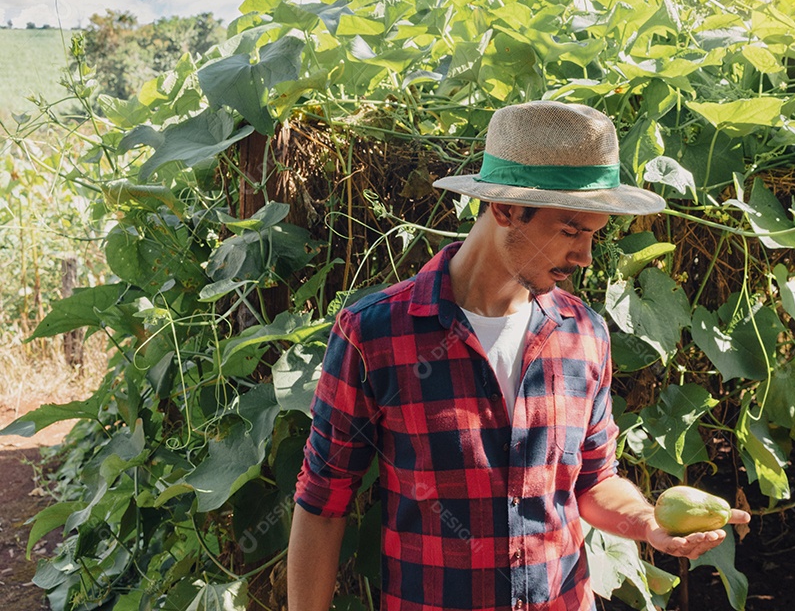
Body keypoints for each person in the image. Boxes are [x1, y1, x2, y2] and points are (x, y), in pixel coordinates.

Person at [288, 100, 750, 611]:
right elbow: (323, 500)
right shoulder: (374, 334)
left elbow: (594, 480)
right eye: (570, 230)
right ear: (504, 209)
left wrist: (648, 525)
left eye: (593, 233)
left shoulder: (585, 333)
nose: (585, 256)